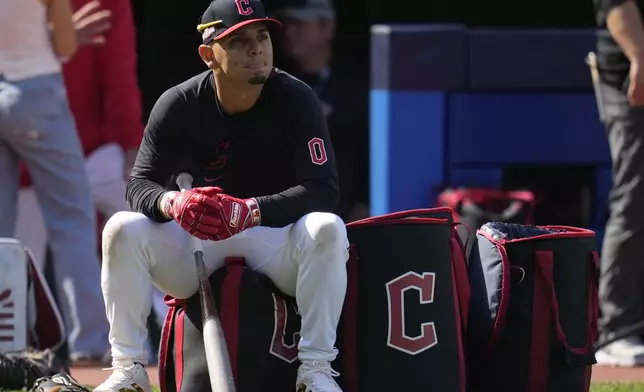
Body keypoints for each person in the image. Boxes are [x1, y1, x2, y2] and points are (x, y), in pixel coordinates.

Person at [94, 0, 349, 391]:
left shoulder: (297, 98)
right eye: (238, 40)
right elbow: (138, 186)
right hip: (198, 242)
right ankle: (128, 369)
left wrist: (251, 210)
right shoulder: (178, 102)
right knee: (121, 228)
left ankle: (314, 370)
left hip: (270, 240)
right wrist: (172, 202)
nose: (256, 49)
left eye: (262, 36)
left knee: (327, 227)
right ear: (207, 54)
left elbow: (323, 189)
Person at [12, 0, 146, 365]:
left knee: (150, 210)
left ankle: (163, 329)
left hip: (89, 151)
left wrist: (133, 143)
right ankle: (80, 345)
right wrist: (56, 37)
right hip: (36, 142)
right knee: (31, 248)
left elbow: (119, 80)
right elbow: (64, 47)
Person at [0, 0, 109, 363]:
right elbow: (66, 45)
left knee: (0, 231)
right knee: (72, 220)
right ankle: (89, 344)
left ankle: (5, 348)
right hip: (37, 91)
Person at [272, 0, 370, 223]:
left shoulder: (355, 87)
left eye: (299, 24)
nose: (289, 32)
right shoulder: (275, 83)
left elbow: (370, 150)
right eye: (286, 25)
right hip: (289, 216)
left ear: (327, 27)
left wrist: (364, 203)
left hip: (344, 216)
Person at [593, 0, 644, 366]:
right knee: (634, 197)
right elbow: (616, 5)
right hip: (630, 79)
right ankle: (616, 330)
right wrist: (640, 56)